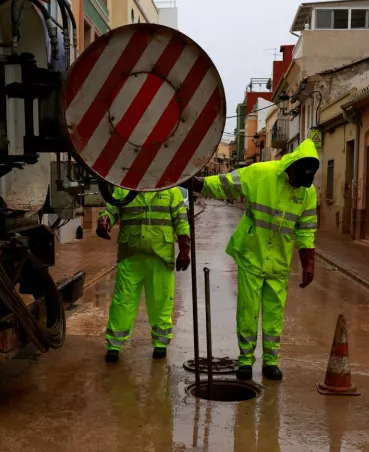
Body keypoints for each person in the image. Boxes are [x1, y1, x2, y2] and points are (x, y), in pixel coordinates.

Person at [185, 139, 319, 381]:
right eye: (298, 181)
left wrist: (309, 264)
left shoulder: (307, 192)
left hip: (279, 261)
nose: (299, 187)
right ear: (292, 167)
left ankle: (271, 362)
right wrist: (196, 183)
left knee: (274, 314)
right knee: (247, 310)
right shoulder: (260, 173)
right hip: (252, 254)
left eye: (304, 185)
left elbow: (306, 230)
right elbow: (224, 184)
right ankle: (245, 361)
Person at [97, 186, 191, 363]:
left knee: (161, 301)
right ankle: (114, 345)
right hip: (131, 254)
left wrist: (185, 248)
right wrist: (105, 220)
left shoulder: (171, 191)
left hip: (160, 256)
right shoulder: (124, 190)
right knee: (123, 302)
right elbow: (111, 209)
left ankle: (160, 344)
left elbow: (181, 220)